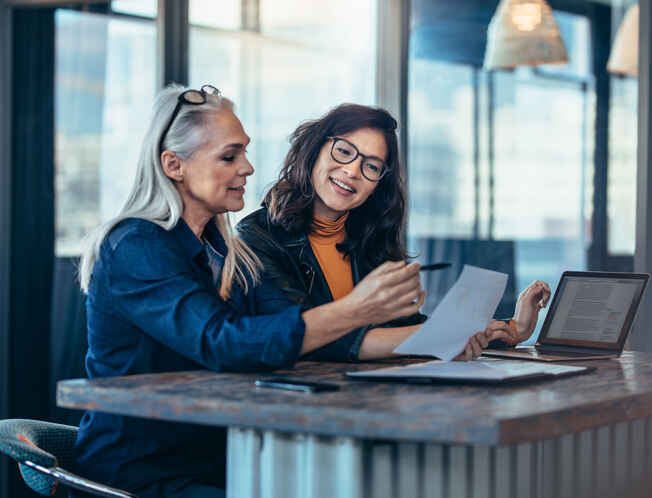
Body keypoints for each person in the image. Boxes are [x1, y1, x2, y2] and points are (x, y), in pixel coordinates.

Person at [74, 86, 471, 498]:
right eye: (229, 156)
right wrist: (357, 308)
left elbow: (286, 328)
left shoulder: (226, 251)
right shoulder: (136, 246)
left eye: (244, 152)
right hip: (144, 474)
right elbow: (223, 342)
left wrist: (444, 334)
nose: (247, 167)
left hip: (225, 459)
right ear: (174, 165)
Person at [236, 103, 551, 362]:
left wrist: (514, 329)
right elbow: (305, 336)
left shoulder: (368, 238)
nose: (352, 171)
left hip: (371, 398)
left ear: (378, 184)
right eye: (344, 151)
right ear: (315, 149)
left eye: (371, 166)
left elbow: (406, 329)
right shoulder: (256, 237)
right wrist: (442, 337)